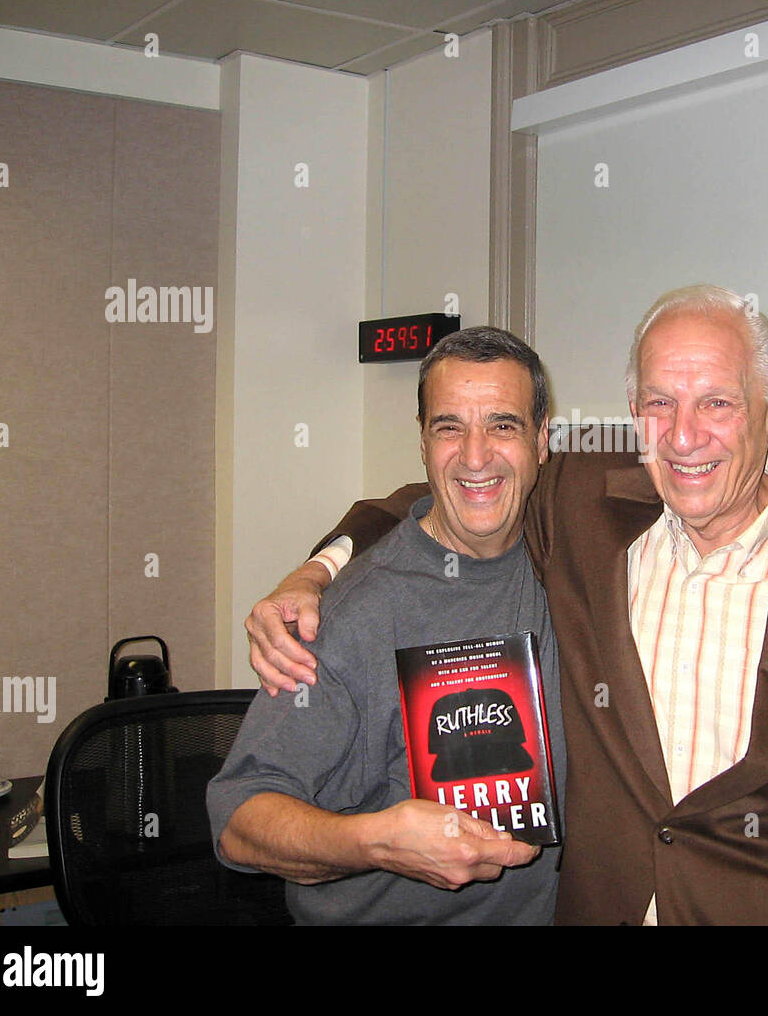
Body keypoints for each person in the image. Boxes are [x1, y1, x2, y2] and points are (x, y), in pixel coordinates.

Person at [255, 287, 768, 924]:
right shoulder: (583, 510)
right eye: (661, 403)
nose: (685, 436)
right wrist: (315, 570)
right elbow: (446, 493)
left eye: (717, 402)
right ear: (634, 413)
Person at [207, 327, 564, 924]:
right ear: (423, 442)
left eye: (503, 425)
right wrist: (377, 842)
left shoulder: (566, 562)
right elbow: (239, 822)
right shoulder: (347, 616)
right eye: (449, 427)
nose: (475, 456)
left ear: (542, 440)